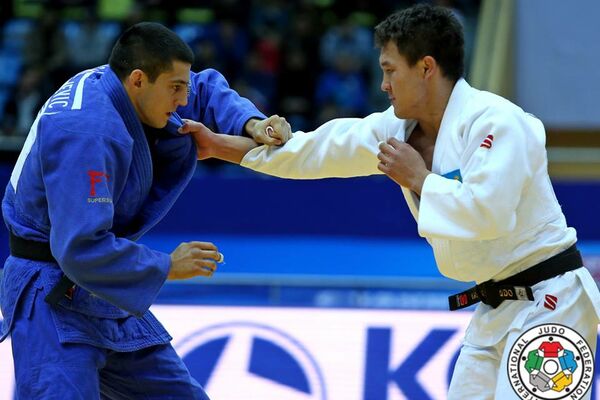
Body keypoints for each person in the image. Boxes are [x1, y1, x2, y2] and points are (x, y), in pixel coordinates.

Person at [185, 5, 600, 399]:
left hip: (552, 302)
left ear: (426, 68)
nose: (383, 84)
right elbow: (314, 151)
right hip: (494, 307)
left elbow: (488, 215)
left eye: (390, 70)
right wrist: (219, 146)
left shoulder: (498, 122)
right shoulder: (396, 128)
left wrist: (420, 178)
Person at [0, 22, 289, 399]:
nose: (183, 100)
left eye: (182, 88)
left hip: (98, 284)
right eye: (175, 89)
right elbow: (80, 247)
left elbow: (201, 86)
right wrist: (167, 266)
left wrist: (251, 122)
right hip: (50, 291)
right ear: (138, 80)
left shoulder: (122, 81)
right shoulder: (87, 133)